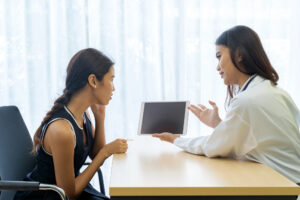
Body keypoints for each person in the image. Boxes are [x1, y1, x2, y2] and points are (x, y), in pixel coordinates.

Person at [153, 25, 300, 185]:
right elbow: (254, 140)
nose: (217, 67)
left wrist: (177, 140)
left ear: (239, 55)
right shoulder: (273, 91)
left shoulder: (246, 100)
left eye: (219, 56)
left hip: (285, 188)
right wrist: (218, 125)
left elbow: (213, 147)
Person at [14, 48, 128, 200]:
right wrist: (105, 152)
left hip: (70, 188)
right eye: (111, 79)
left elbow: (95, 154)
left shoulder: (83, 114)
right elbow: (68, 195)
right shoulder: (63, 131)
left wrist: (100, 116)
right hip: (49, 195)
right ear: (93, 81)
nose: (114, 87)